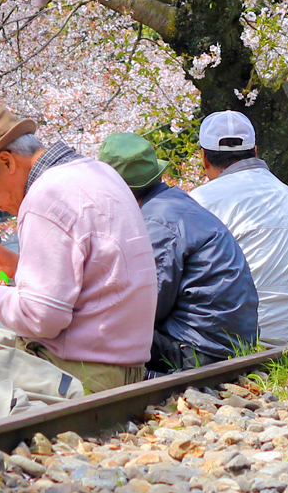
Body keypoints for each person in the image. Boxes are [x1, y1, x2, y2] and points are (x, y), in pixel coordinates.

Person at [0, 106, 157, 392]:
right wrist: (18, 267)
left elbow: (41, 319)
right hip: (123, 366)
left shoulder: (46, 196)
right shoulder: (99, 172)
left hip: (81, 374)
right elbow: (93, 274)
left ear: (6, 161)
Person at [98, 133, 260, 373]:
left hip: (198, 353)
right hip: (225, 344)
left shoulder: (156, 223)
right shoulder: (174, 204)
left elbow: (144, 308)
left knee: (93, 329)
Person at [190, 111, 288, 347]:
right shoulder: (286, 193)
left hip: (238, 342)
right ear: (255, 151)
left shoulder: (199, 201)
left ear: (204, 157)